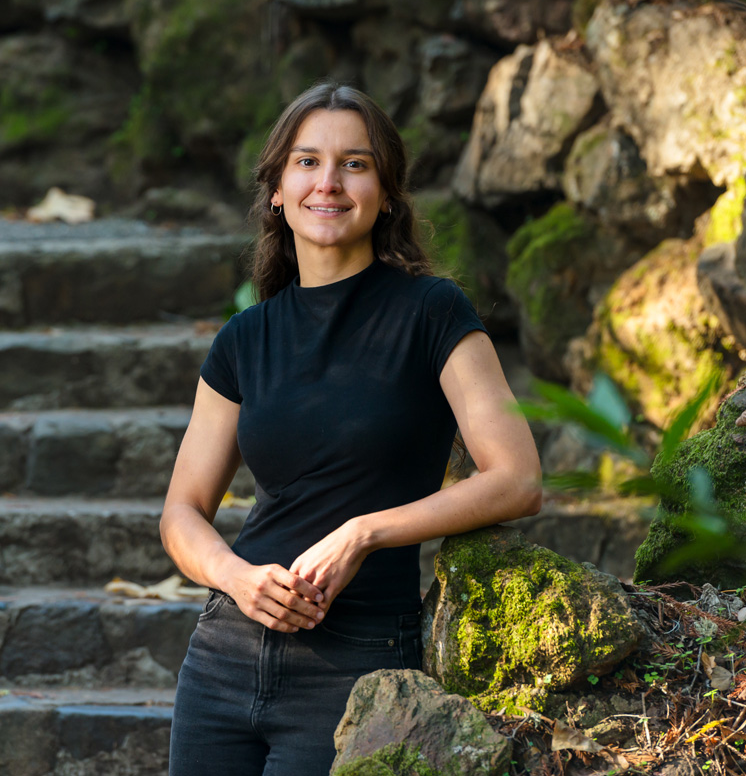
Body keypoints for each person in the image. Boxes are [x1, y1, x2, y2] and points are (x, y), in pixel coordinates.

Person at [160, 82, 542, 776]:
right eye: (307, 162)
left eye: (355, 164)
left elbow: (517, 478)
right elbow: (181, 513)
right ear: (278, 188)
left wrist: (364, 531)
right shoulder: (244, 339)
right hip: (222, 658)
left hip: (359, 663)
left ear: (387, 191)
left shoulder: (432, 313)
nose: (328, 182)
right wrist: (237, 579)